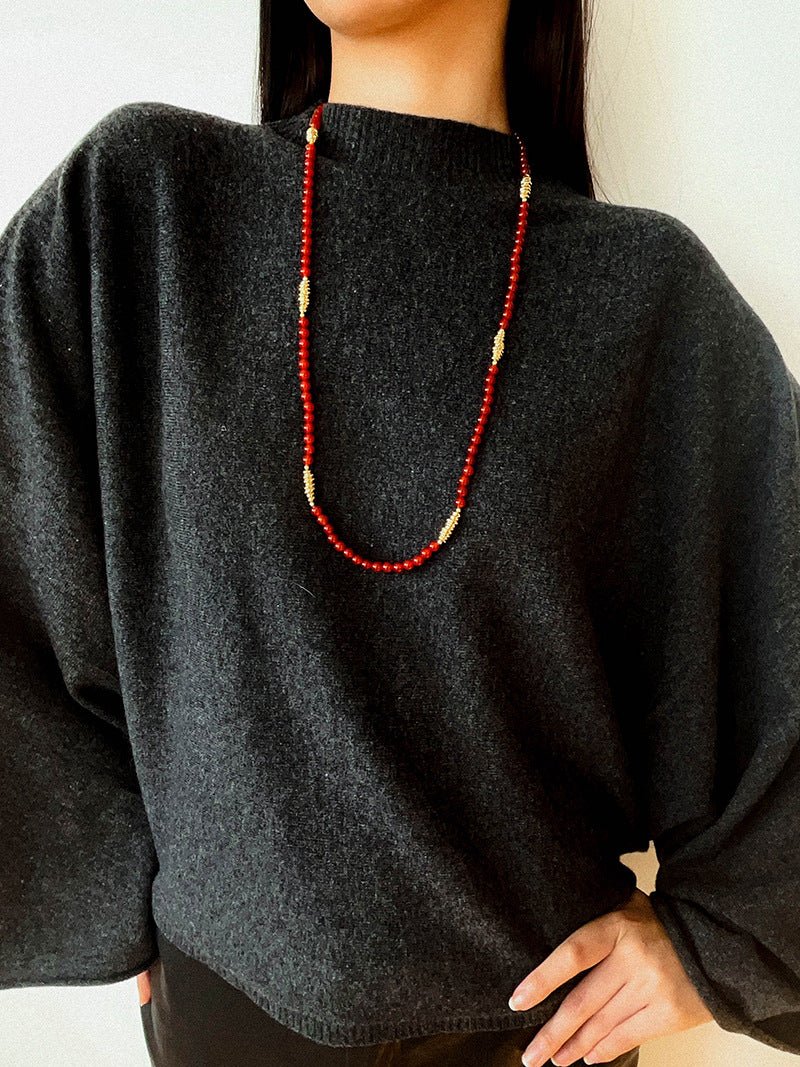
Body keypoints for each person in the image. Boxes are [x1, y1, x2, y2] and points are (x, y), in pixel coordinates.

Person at [1, 1, 799, 1065]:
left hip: (536, 1037)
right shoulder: (144, 209)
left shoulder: (651, 302)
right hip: (229, 1026)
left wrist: (715, 951)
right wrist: (97, 872)